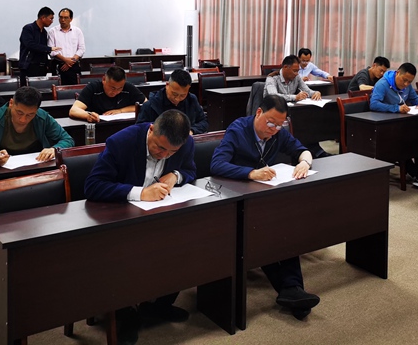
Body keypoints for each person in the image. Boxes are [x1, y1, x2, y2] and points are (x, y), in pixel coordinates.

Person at [85, 110, 196, 344]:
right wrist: (140, 193)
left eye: (171, 152)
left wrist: (175, 175)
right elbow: (93, 185)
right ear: (151, 129)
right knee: (127, 254)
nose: (163, 155)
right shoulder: (121, 142)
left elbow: (190, 170)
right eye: (160, 148)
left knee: (187, 244)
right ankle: (126, 314)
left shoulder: (185, 143)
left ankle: (158, 304)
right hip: (122, 219)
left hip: (160, 216)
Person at [210, 95, 320, 320]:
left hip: (265, 198)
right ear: (258, 113)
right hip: (238, 200)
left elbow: (303, 150)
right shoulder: (238, 129)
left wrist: (304, 162)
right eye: (271, 123)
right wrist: (251, 173)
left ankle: (292, 290)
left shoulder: (278, 132)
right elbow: (217, 164)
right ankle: (291, 289)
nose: (274, 129)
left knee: (284, 228)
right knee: (263, 234)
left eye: (280, 125)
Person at [0, 86, 74, 284]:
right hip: (2, 176)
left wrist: (54, 149)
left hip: (34, 175)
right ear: (11, 104)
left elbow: (67, 140)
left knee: (42, 220)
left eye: (30, 115)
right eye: (19, 113)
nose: (23, 119)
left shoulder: (42, 117)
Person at [136, 69, 208, 134]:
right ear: (167, 85)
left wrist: (192, 131)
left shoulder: (191, 100)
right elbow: (140, 130)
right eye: (174, 94)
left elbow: (204, 122)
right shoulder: (151, 105)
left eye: (182, 95)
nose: (177, 99)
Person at [69, 65, 145, 122]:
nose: (116, 92)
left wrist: (121, 110)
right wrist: (88, 116)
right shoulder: (93, 88)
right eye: (113, 88)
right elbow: (73, 110)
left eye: (120, 88)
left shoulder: (128, 87)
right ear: (104, 80)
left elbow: (145, 104)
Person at [18, 6, 60, 86]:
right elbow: (30, 45)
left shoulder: (44, 32)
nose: (52, 21)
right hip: (28, 66)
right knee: (27, 90)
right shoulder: (28, 28)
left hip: (41, 67)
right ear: (43, 18)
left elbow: (43, 50)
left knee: (40, 90)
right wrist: (49, 48)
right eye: (51, 19)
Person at [47, 7, 85, 85]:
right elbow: (51, 51)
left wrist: (70, 62)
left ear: (71, 19)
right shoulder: (53, 31)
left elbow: (81, 49)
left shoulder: (77, 31)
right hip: (58, 65)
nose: (63, 20)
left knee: (75, 87)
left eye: (66, 18)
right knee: (58, 88)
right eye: (61, 17)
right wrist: (65, 60)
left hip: (73, 65)